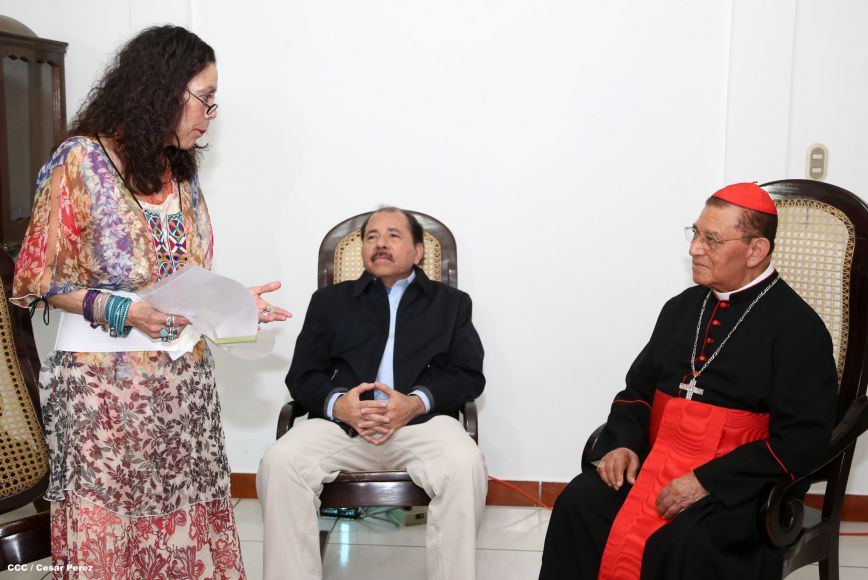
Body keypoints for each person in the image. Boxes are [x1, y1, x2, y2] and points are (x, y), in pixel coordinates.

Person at [11, 25, 290, 579]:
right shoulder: (80, 161)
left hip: (182, 383)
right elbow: (36, 277)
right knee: (110, 539)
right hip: (101, 390)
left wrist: (231, 304)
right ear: (162, 89)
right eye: (205, 98)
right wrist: (127, 311)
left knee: (183, 537)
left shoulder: (178, 170)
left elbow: (182, 278)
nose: (210, 114)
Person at [539, 183, 838, 580]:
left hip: (737, 486)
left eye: (711, 239)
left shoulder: (799, 330)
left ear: (756, 250)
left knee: (687, 540)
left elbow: (802, 440)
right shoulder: (681, 309)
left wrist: (707, 480)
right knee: (580, 502)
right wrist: (623, 443)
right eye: (695, 233)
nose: (695, 248)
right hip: (657, 462)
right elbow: (637, 392)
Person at [257, 207, 487, 580]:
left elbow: (468, 375)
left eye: (393, 235)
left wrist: (416, 402)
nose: (380, 243)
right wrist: (339, 405)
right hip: (342, 426)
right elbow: (302, 375)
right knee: (281, 462)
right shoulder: (330, 302)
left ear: (418, 251)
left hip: (421, 424)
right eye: (372, 236)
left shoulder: (451, 304)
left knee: (465, 463)